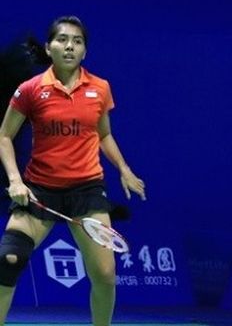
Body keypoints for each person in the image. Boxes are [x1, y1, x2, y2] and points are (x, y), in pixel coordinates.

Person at [0, 16, 146, 326]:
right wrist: (15, 180)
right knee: (7, 261)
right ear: (48, 48)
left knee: (105, 276)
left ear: (85, 51)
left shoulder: (100, 88)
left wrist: (124, 169)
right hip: (39, 190)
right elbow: (4, 136)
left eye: (77, 41)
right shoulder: (31, 90)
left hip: (87, 191)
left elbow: (103, 134)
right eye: (63, 40)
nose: (70, 46)